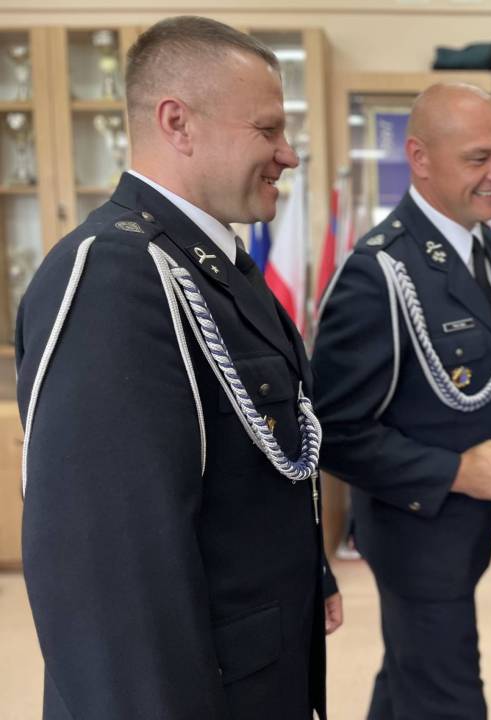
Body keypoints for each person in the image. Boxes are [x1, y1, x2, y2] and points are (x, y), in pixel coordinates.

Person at [16, 16, 340, 720]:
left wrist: (308, 574)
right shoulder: (117, 277)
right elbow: (108, 577)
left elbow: (257, 467)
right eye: (267, 130)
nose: (287, 155)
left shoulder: (214, 264)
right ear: (178, 123)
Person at [310, 82, 491, 719]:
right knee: (447, 700)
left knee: (409, 677)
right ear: (419, 157)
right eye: (479, 158)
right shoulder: (378, 270)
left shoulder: (483, 243)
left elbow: (481, 361)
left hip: (465, 527)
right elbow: (331, 430)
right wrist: (454, 471)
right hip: (416, 535)